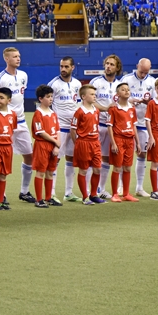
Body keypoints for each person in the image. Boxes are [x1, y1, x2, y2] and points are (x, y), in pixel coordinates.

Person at [0, 48, 35, 203]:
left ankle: (24, 191)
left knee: (29, 156)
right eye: (15, 56)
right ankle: (2, 195)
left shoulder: (23, 75)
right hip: (5, 125)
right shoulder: (0, 78)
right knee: (2, 160)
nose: (18, 58)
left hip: (21, 122)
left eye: (19, 56)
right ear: (6, 59)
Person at [48, 57, 82, 203]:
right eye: (61, 66)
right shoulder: (53, 84)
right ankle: (52, 192)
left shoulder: (77, 84)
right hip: (59, 128)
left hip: (73, 128)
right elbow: (47, 104)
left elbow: (78, 104)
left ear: (72, 67)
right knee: (55, 159)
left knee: (71, 159)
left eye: (66, 66)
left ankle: (68, 193)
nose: (63, 69)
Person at [120, 58, 155, 197]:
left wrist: (149, 102)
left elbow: (156, 100)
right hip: (127, 123)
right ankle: (122, 186)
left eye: (145, 72)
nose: (142, 75)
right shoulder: (126, 79)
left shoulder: (152, 81)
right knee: (124, 155)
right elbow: (117, 96)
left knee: (142, 154)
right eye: (141, 72)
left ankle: (139, 187)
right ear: (137, 67)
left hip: (144, 123)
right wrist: (129, 100)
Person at [89, 54, 122, 198]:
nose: (108, 66)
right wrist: (105, 108)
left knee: (107, 158)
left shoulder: (119, 85)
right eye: (107, 63)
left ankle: (101, 189)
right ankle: (91, 189)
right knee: (94, 158)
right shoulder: (96, 82)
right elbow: (90, 102)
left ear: (117, 68)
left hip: (112, 128)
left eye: (112, 64)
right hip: (97, 125)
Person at [106, 83, 140, 202]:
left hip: (129, 140)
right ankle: (115, 194)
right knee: (117, 167)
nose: (126, 91)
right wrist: (113, 143)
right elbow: (109, 127)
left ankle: (126, 194)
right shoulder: (113, 109)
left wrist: (138, 143)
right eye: (123, 89)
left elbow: (134, 126)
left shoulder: (132, 108)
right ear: (118, 94)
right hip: (118, 139)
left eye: (128, 89)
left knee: (127, 168)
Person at [70, 85, 102, 205]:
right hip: (83, 143)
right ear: (83, 96)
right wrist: (77, 143)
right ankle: (85, 197)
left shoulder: (96, 110)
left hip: (95, 142)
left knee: (98, 169)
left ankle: (94, 194)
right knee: (83, 170)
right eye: (92, 94)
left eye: (95, 94)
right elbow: (73, 130)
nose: (94, 96)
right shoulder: (79, 111)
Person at [31, 85, 61, 208]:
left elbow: (57, 130)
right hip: (42, 145)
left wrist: (57, 145)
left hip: (53, 146)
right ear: (40, 99)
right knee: (41, 172)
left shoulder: (53, 113)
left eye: (51, 96)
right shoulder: (38, 113)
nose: (50, 99)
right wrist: (55, 141)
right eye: (48, 97)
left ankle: (48, 198)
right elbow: (40, 132)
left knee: (50, 172)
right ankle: (39, 199)